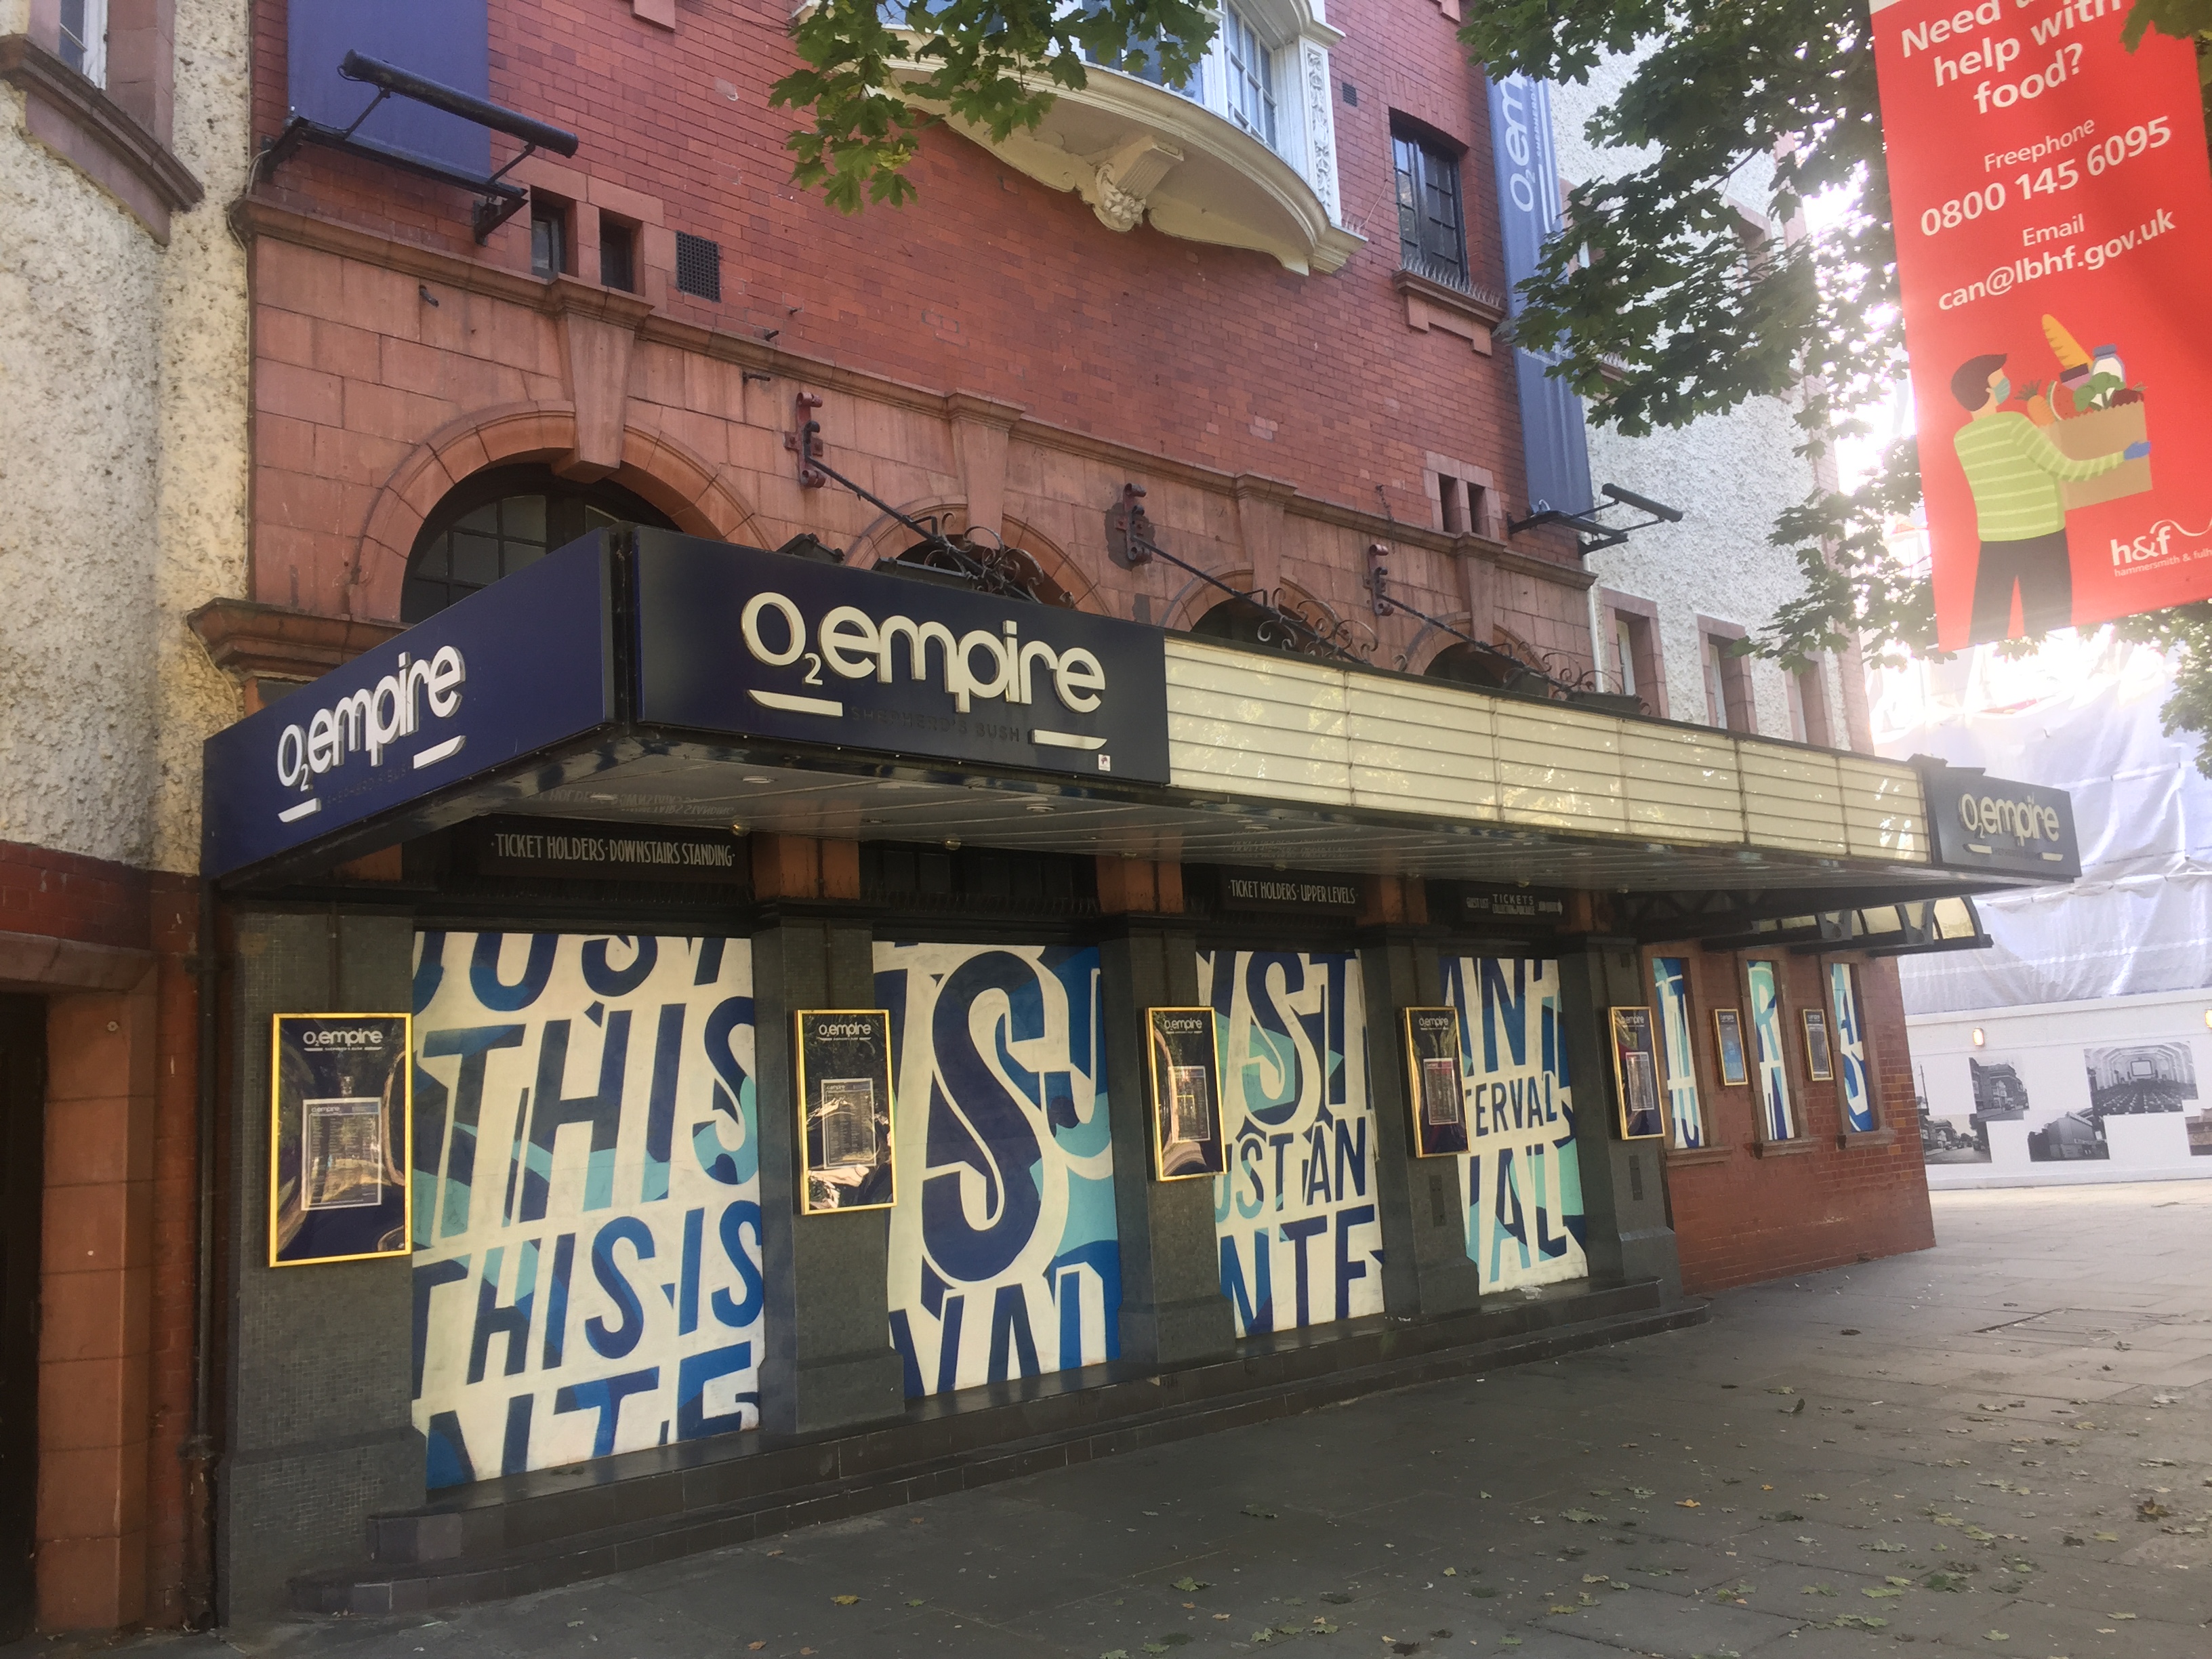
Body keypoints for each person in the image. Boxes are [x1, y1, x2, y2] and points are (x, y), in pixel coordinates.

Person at [1949, 352, 2149, 642]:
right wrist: (2123, 456)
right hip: (2042, 538)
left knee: (1987, 625)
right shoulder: (2014, 425)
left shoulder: (1962, 439)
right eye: (1999, 379)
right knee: (2050, 624)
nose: (2006, 382)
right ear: (1986, 391)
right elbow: (2068, 470)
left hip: (1995, 542)